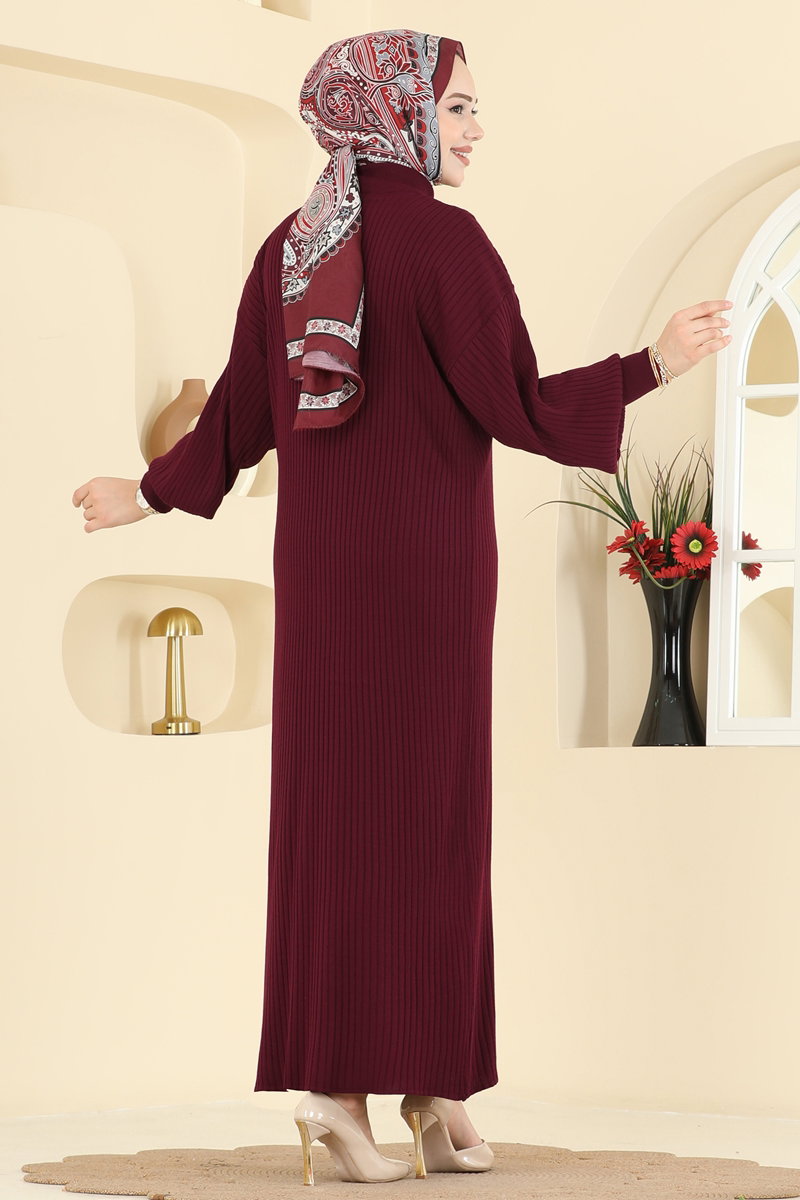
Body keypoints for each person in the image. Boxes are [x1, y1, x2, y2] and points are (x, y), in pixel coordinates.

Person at [72, 29, 733, 1187]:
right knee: (430, 822)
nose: (474, 128)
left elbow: (240, 413)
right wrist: (652, 365)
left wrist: (148, 494)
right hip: (427, 578)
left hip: (325, 580)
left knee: (336, 821)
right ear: (397, 115)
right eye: (458, 107)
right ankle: (356, 1094)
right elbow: (517, 403)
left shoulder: (294, 247)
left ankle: (415, 1090)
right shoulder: (444, 241)